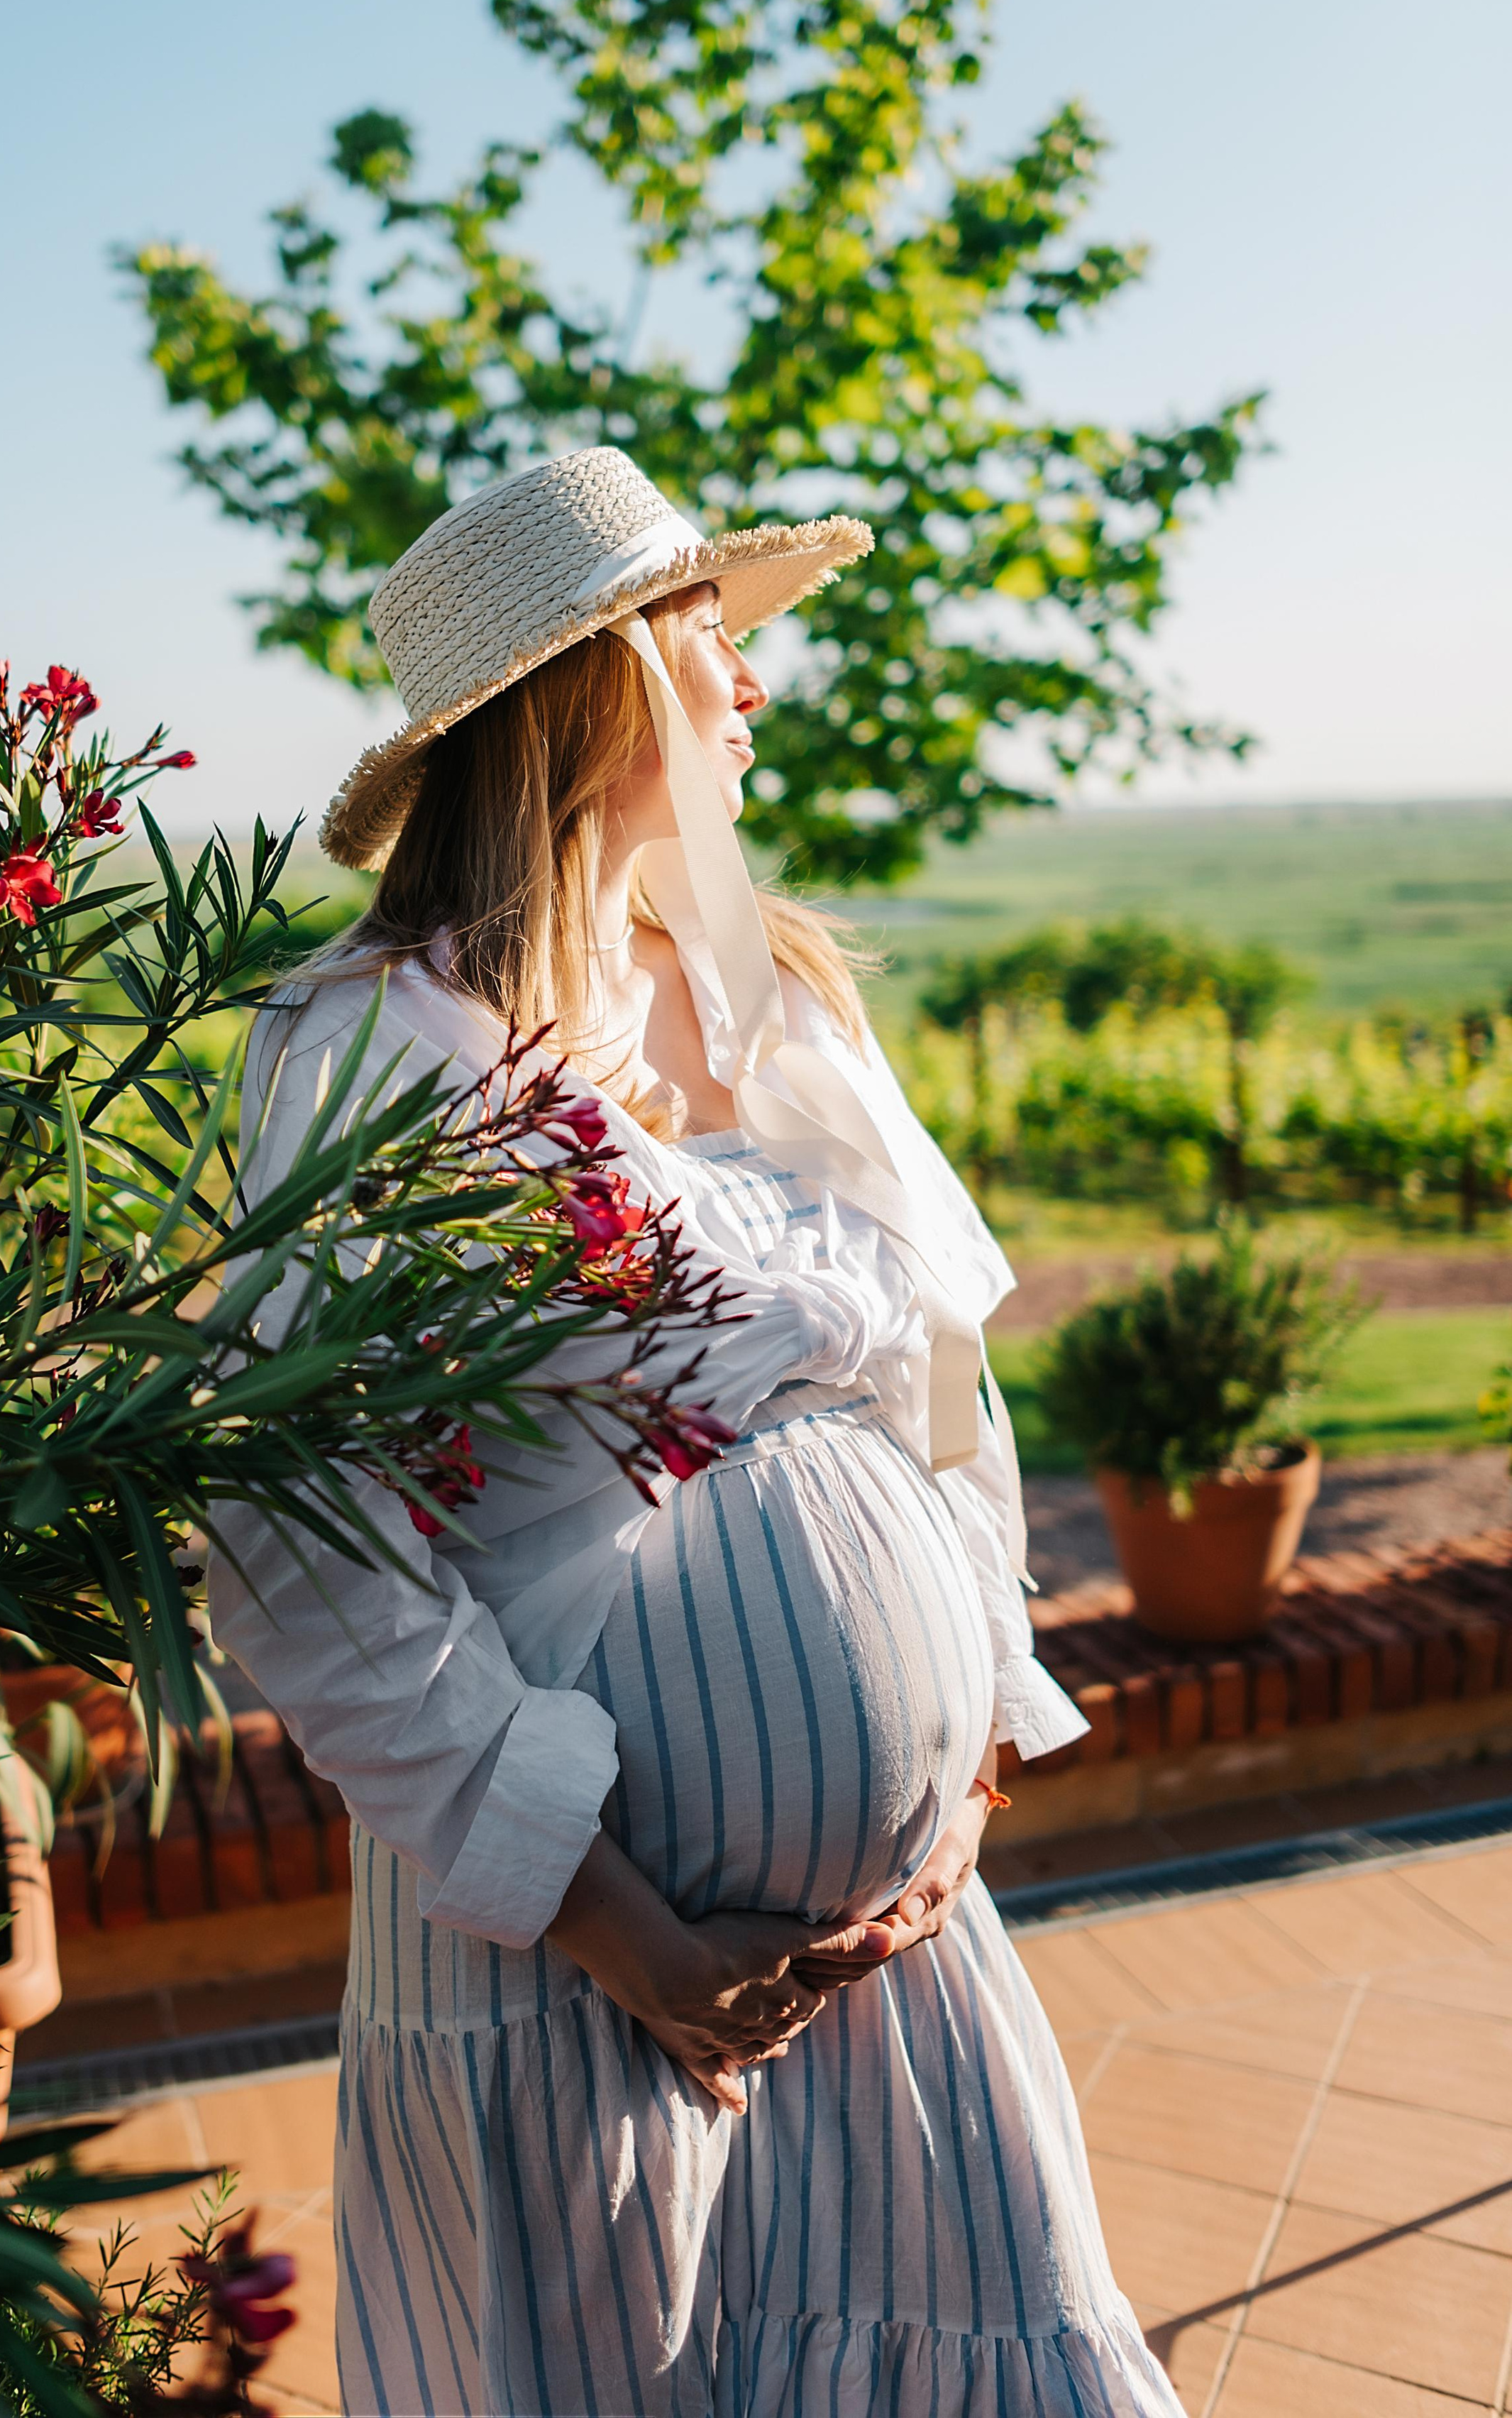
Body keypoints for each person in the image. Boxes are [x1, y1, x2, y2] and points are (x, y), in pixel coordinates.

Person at [209, 448, 1183, 2417]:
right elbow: (298, 1537)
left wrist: (960, 1764)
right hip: (580, 1978)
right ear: (595, 690)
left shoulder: (785, 998)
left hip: (899, 1954)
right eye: (711, 642)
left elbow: (944, 1406)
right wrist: (617, 1915)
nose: (754, 688)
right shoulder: (374, 1050)